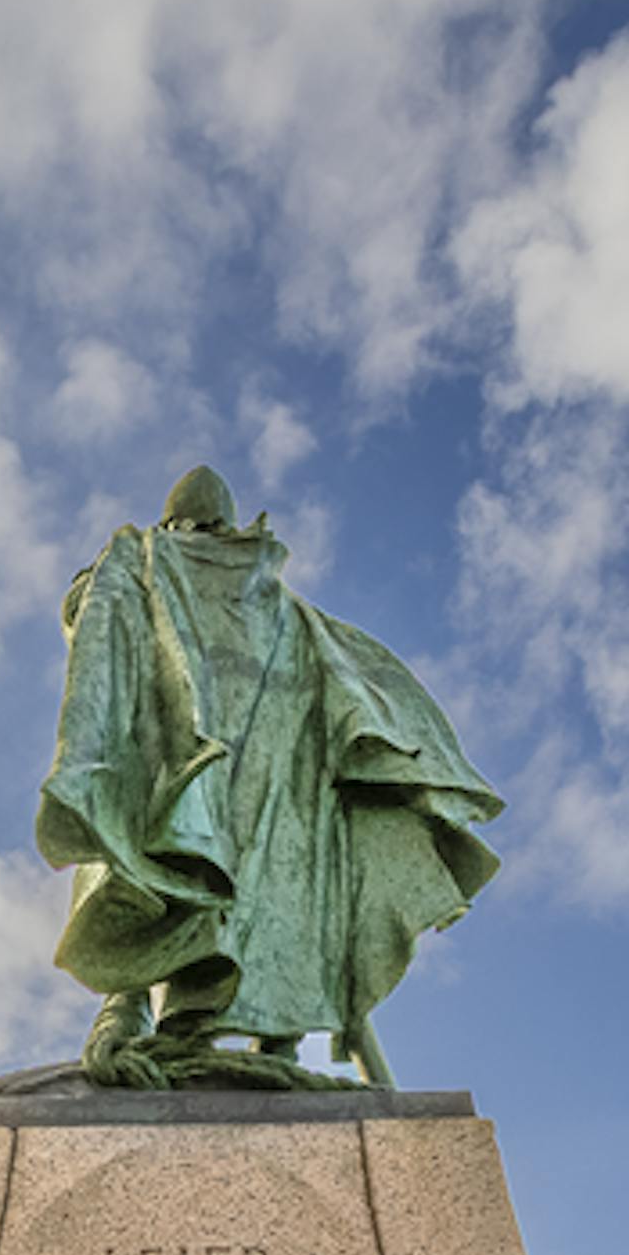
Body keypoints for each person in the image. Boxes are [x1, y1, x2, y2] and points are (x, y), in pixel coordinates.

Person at [38, 465, 502, 1086]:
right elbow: (85, 617)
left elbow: (81, 616)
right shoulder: (203, 581)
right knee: (206, 873)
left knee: (206, 874)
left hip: (229, 773)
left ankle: (221, 1033)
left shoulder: (183, 576)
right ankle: (205, 1031)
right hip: (216, 774)